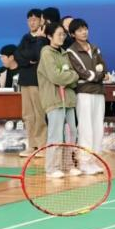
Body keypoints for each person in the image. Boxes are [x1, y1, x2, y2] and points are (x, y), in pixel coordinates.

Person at [37, 21, 80, 178]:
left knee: (71, 133)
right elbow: (55, 77)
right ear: (49, 36)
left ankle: (68, 165)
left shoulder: (64, 53)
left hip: (68, 99)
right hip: (54, 100)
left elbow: (75, 77)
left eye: (63, 34)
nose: (62, 37)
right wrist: (69, 77)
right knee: (56, 134)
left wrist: (69, 77)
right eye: (59, 34)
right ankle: (52, 168)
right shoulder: (46, 53)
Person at [67, 18, 108, 174]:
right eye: (79, 30)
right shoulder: (71, 51)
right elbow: (81, 73)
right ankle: (84, 162)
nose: (84, 32)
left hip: (99, 92)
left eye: (85, 28)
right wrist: (97, 76)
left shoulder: (95, 48)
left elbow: (103, 68)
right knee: (85, 128)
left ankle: (94, 161)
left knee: (98, 128)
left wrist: (97, 75)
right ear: (73, 34)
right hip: (84, 93)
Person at [16, 8, 48, 157]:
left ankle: (42, 145)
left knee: (39, 114)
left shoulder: (44, 38)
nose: (31, 23)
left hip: (37, 81)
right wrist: (28, 60)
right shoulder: (25, 37)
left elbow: (37, 55)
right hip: (25, 80)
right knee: (27, 115)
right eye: (29, 20)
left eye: (34, 19)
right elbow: (17, 56)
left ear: (41, 21)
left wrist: (27, 57)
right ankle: (31, 145)